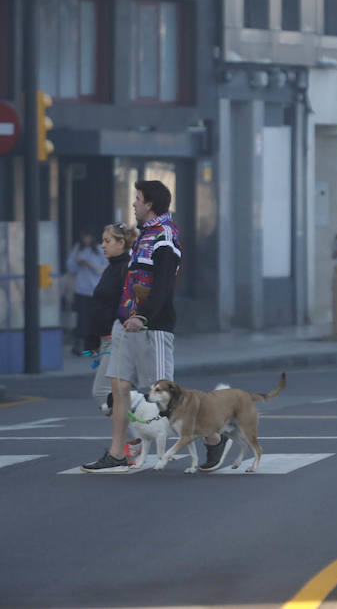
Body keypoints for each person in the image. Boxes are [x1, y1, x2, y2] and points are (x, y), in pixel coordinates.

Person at [83, 180, 222, 473]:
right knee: (119, 387)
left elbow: (164, 284)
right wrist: (124, 317)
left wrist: (144, 316)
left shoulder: (165, 237)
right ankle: (117, 453)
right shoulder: (145, 235)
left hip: (152, 326)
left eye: (137, 199)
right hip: (125, 325)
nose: (133, 203)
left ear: (149, 204)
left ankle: (213, 437)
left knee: (165, 397)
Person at [87, 222, 136, 411]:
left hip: (117, 339)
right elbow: (100, 306)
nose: (102, 245)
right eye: (102, 241)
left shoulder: (125, 269)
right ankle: (139, 435)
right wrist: (91, 341)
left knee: (102, 393)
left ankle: (144, 431)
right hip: (106, 340)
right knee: (117, 395)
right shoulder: (112, 268)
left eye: (107, 241)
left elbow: (127, 306)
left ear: (121, 242)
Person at [67, 229, 107, 355]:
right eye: (84, 237)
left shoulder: (99, 250)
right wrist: (78, 263)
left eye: (88, 237)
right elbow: (70, 266)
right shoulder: (78, 248)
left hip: (94, 288)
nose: (86, 240)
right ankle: (80, 344)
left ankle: (93, 345)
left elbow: (103, 268)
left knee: (94, 318)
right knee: (82, 318)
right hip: (81, 288)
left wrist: (89, 265)